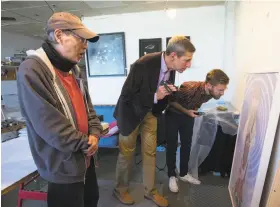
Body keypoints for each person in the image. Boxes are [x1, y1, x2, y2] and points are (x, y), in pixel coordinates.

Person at [17, 12, 103, 207]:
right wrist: (85, 142)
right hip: (63, 167)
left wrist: (95, 134)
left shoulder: (73, 69)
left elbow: (88, 109)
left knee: (91, 201)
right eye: (81, 39)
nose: (86, 45)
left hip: (86, 158)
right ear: (58, 35)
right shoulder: (32, 70)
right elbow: (51, 127)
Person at [113, 36, 196, 207]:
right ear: (173, 55)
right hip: (130, 114)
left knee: (150, 153)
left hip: (151, 113)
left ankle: (150, 191)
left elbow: (159, 89)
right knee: (126, 154)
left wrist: (167, 93)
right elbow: (127, 96)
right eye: (186, 60)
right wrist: (155, 96)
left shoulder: (172, 68)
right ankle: (120, 190)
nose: (188, 65)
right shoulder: (143, 64)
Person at [166, 69, 229, 193]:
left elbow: (196, 102)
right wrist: (186, 111)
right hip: (172, 115)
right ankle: (172, 176)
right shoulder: (189, 88)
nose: (222, 93)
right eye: (220, 90)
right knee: (172, 146)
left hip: (187, 115)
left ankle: (183, 174)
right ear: (209, 85)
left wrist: (193, 110)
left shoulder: (212, 93)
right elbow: (171, 101)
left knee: (187, 145)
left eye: (223, 89)